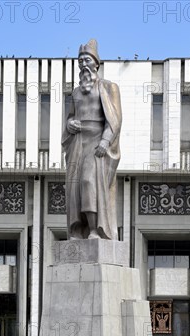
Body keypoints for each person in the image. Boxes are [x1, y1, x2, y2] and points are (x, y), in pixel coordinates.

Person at [62, 39, 122, 240]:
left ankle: (95, 230)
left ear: (96, 63)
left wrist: (105, 141)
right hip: (78, 142)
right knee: (75, 187)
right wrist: (70, 124)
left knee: (90, 183)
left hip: (97, 142)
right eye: (80, 61)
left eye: (87, 59)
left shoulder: (108, 86)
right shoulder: (76, 92)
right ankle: (78, 229)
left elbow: (114, 119)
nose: (83, 64)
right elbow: (70, 115)